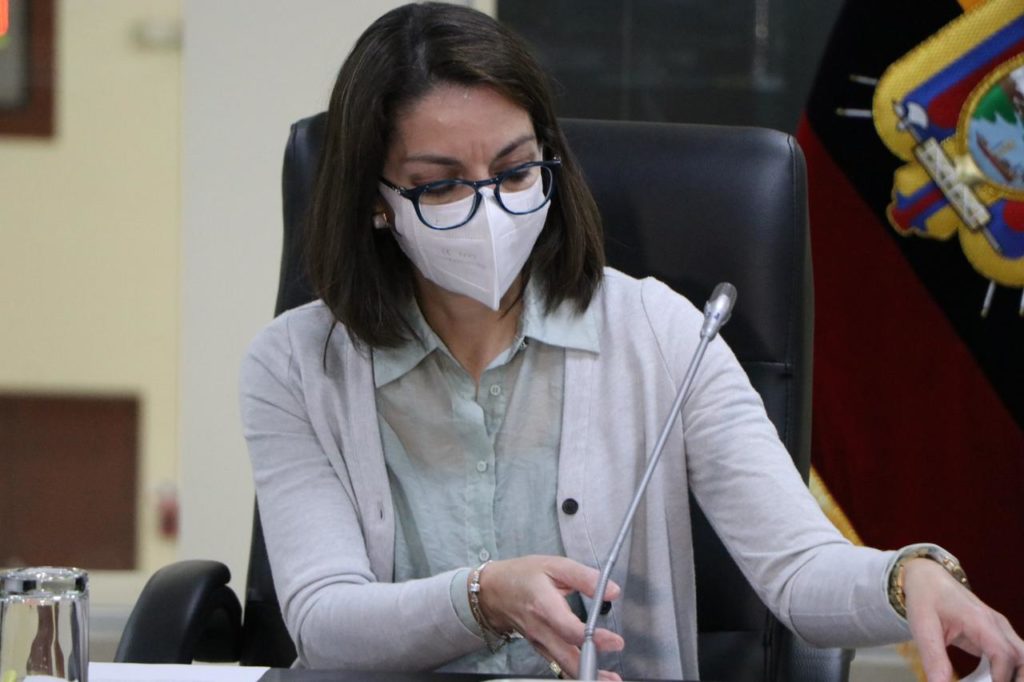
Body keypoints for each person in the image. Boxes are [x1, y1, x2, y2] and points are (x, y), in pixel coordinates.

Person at [240, 3, 1024, 680]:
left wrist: (910, 579)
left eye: (515, 172)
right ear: (375, 201)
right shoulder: (296, 365)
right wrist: (484, 596)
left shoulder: (663, 332)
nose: (489, 210)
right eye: (441, 184)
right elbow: (323, 619)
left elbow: (797, 568)